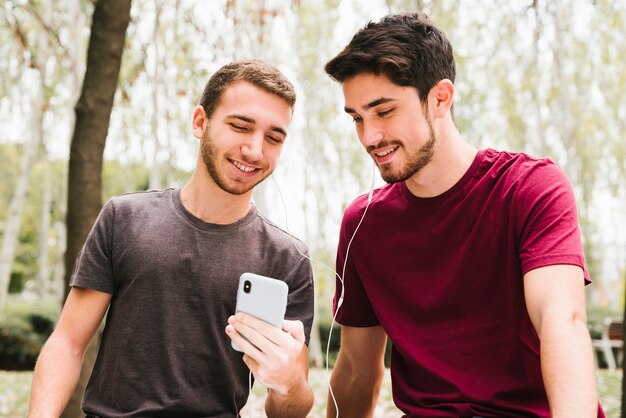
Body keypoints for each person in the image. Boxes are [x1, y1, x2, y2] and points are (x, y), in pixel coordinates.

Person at [323, 12, 603, 418]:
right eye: (357, 119)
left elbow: (564, 322)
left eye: (384, 111)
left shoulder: (530, 188)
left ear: (440, 98)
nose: (370, 137)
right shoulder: (363, 224)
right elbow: (354, 371)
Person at [28, 60, 315, 418]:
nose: (255, 151)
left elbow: (291, 408)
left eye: (273, 137)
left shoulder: (289, 258)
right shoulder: (124, 218)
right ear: (200, 122)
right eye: (241, 126)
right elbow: (69, 342)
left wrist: (287, 382)